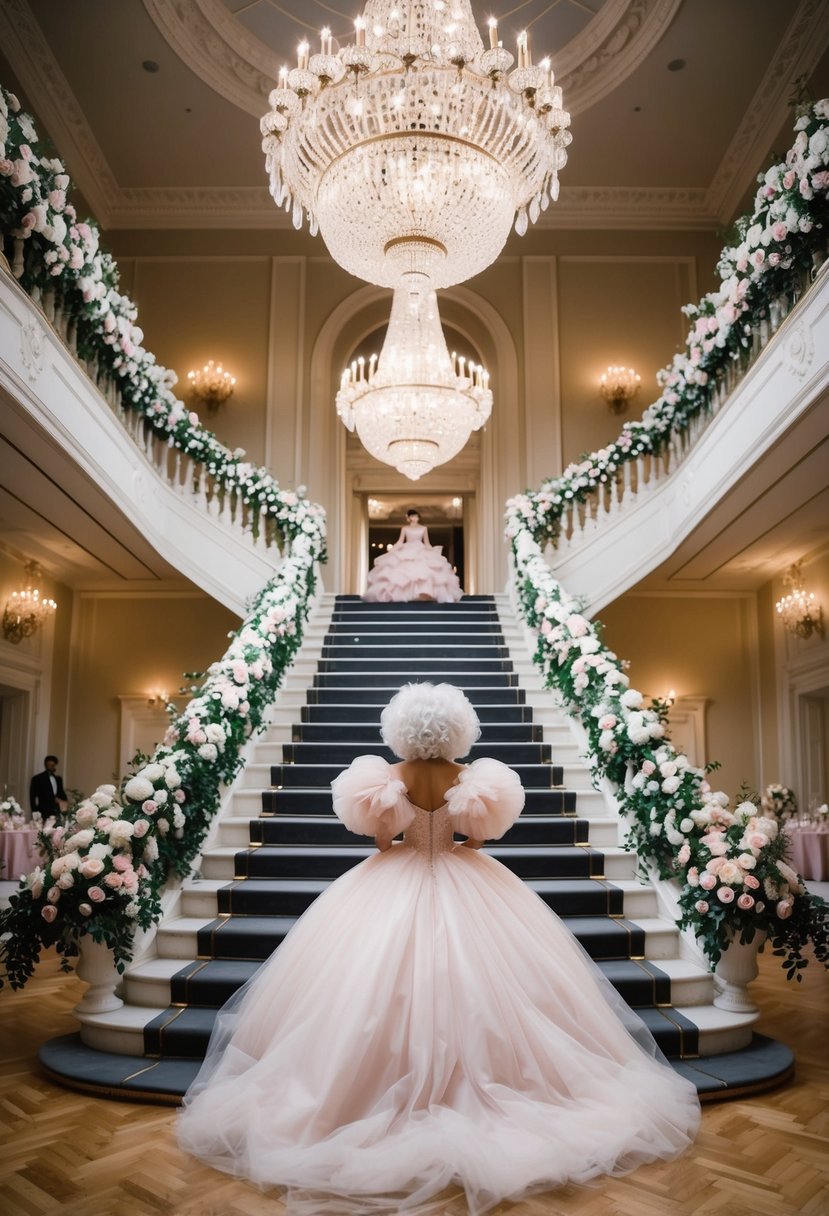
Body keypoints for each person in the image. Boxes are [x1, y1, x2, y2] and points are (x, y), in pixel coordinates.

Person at [178, 683, 700, 1214]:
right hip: (464, 875)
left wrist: (404, 833)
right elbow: (476, 840)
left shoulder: (386, 777)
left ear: (401, 728)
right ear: (456, 728)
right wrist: (454, 838)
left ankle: (356, 1097)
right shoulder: (471, 778)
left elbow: (383, 842)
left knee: (363, 984)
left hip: (392, 878)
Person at [364, 508, 463, 603]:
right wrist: (394, 550)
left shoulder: (423, 528)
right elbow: (400, 541)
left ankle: (422, 593)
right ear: (409, 517)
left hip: (420, 549)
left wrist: (432, 550)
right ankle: (407, 594)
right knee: (403, 571)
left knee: (423, 572)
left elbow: (427, 543)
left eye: (416, 516)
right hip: (407, 549)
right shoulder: (405, 528)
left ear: (418, 517)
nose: (415, 518)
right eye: (412, 516)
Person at [29, 754, 68, 819]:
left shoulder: (58, 779)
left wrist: (63, 801)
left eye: (53, 765)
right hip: (43, 811)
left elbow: (61, 792)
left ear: (55, 765)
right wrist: (35, 812)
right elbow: (32, 797)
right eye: (49, 765)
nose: (51, 767)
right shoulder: (37, 778)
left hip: (57, 810)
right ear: (45, 765)